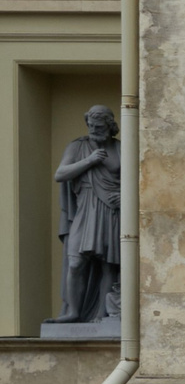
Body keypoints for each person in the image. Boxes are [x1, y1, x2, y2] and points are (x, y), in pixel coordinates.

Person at [48, 106, 119, 326]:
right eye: (91, 126)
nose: (94, 130)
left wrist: (125, 196)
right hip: (85, 207)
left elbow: (136, 181)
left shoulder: (120, 148)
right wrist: (90, 160)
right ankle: (73, 312)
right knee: (76, 262)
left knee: (109, 265)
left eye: (99, 127)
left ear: (109, 126)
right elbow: (60, 174)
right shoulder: (78, 146)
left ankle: (102, 315)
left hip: (111, 209)